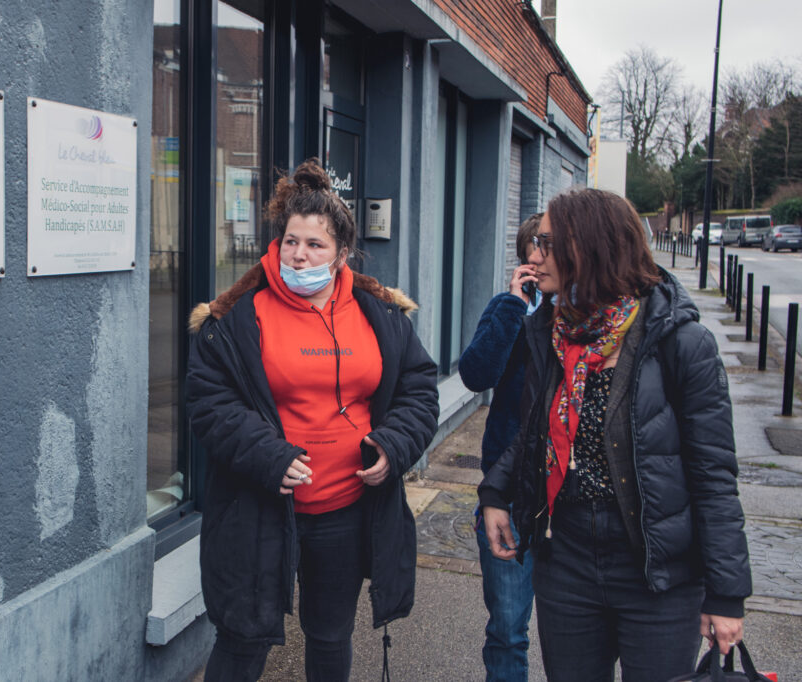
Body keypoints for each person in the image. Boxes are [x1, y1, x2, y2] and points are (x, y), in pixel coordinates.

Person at [478, 188, 752, 682]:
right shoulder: (552, 330)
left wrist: (726, 596)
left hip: (657, 574)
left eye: (546, 243)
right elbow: (540, 428)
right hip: (568, 563)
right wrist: (497, 491)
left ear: (589, 247)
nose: (534, 256)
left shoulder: (681, 341)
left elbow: (713, 475)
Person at [187, 159, 439, 681]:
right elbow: (210, 402)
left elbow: (419, 390)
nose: (299, 254)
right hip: (258, 510)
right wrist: (269, 455)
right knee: (243, 639)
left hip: (343, 511)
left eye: (315, 245)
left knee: (329, 636)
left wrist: (393, 445)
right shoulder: (237, 318)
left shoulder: (379, 313)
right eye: (290, 241)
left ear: (343, 253)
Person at [459, 213, 541, 682]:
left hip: (567, 498)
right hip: (507, 490)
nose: (537, 258)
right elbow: (476, 374)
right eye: (531, 248)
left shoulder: (585, 317)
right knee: (509, 628)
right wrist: (514, 305)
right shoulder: (507, 308)